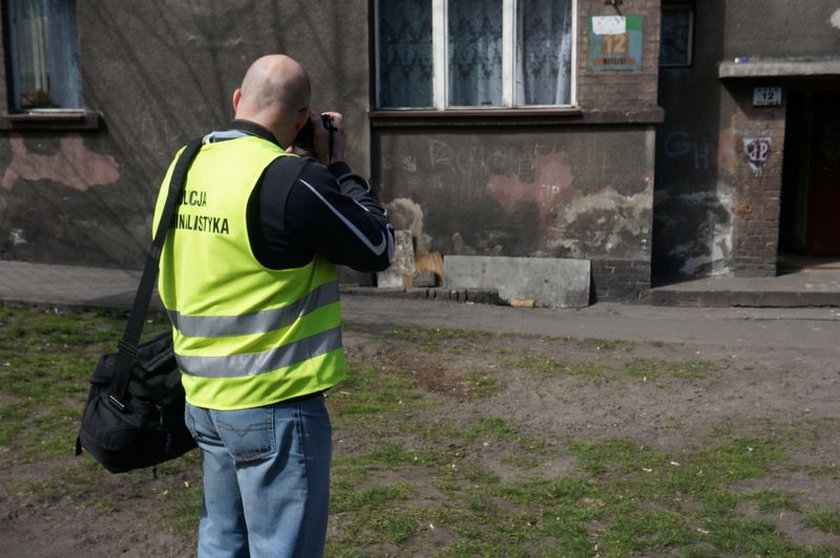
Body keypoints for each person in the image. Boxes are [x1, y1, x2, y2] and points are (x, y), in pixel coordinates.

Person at [152, 54, 394, 558]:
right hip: (274, 404)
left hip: (204, 400)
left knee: (221, 541)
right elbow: (377, 249)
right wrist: (339, 167)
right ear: (304, 117)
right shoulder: (293, 180)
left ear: (237, 100)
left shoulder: (184, 163)